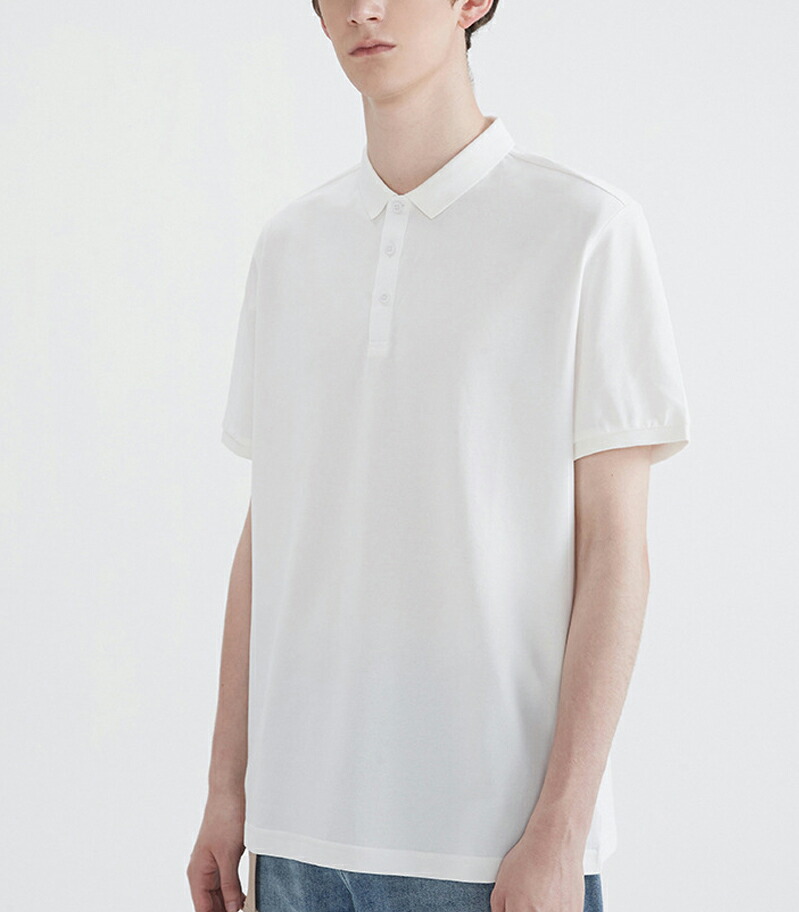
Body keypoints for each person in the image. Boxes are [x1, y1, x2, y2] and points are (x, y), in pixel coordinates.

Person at [186, 0, 691, 911]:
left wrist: (561, 831)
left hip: (494, 853)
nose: (364, 10)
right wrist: (228, 792)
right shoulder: (290, 247)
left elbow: (617, 553)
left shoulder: (586, 231)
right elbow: (269, 537)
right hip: (296, 844)